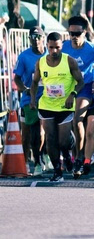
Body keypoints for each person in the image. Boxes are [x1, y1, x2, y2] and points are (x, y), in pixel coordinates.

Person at [30, 32, 84, 183]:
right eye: (51, 47)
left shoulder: (69, 61)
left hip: (65, 106)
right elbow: (34, 82)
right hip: (47, 104)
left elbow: (80, 82)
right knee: (50, 138)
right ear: (47, 45)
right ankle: (57, 171)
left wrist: (72, 94)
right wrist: (33, 99)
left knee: (63, 142)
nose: (54, 51)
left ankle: (67, 154)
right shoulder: (40, 62)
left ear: (62, 46)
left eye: (57, 48)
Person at [64, 15, 94, 178]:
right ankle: (74, 156)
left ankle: (82, 158)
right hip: (68, 87)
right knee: (69, 127)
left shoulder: (92, 49)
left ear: (85, 32)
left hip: (86, 87)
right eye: (71, 33)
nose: (74, 37)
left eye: (78, 33)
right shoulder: (64, 47)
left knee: (79, 121)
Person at [14, 27, 46, 174]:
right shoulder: (24, 56)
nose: (35, 39)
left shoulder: (49, 54)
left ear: (43, 37)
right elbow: (17, 78)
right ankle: (26, 163)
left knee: (42, 132)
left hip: (48, 98)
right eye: (32, 36)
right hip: (29, 99)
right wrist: (24, 89)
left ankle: (42, 158)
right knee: (27, 134)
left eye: (38, 36)